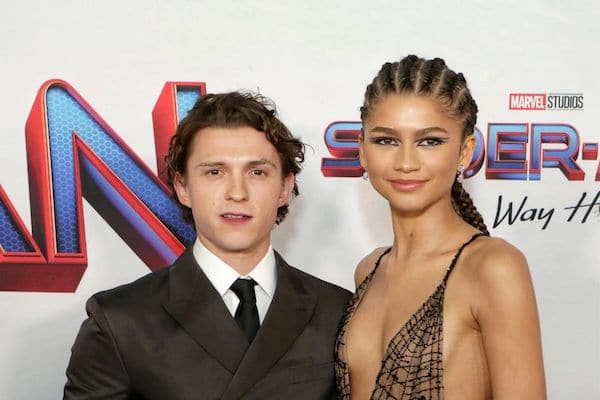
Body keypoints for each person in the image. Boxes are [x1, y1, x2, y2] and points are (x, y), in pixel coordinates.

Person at [64, 91, 351, 399]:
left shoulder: (337, 313)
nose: (237, 193)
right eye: (215, 172)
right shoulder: (120, 322)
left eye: (257, 172)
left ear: (284, 187)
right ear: (183, 187)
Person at [334, 56, 546, 399]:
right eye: (386, 140)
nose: (406, 162)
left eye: (429, 141)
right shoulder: (369, 270)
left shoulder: (492, 267)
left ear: (465, 151)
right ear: (361, 150)